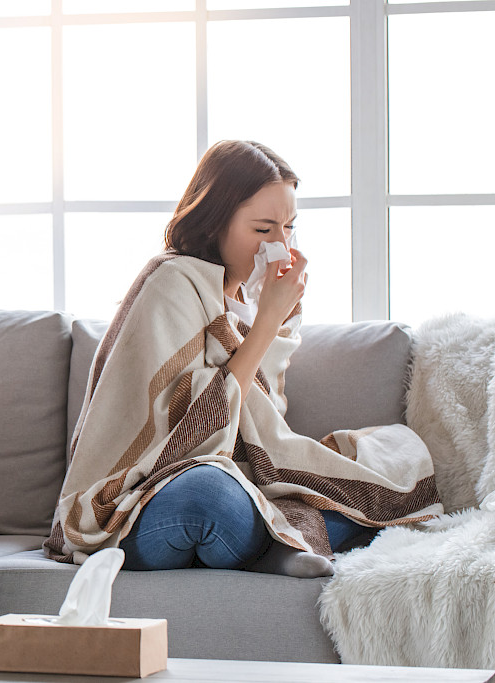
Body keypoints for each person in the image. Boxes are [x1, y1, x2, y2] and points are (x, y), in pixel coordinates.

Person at [44, 140, 443, 577]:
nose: (280, 245)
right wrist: (268, 320)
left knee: (393, 451)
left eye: (288, 228)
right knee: (207, 494)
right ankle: (280, 541)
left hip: (242, 479)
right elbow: (184, 432)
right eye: (263, 229)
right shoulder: (174, 282)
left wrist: (273, 314)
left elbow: (261, 428)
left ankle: (275, 538)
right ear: (215, 223)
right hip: (141, 500)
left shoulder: (265, 303)